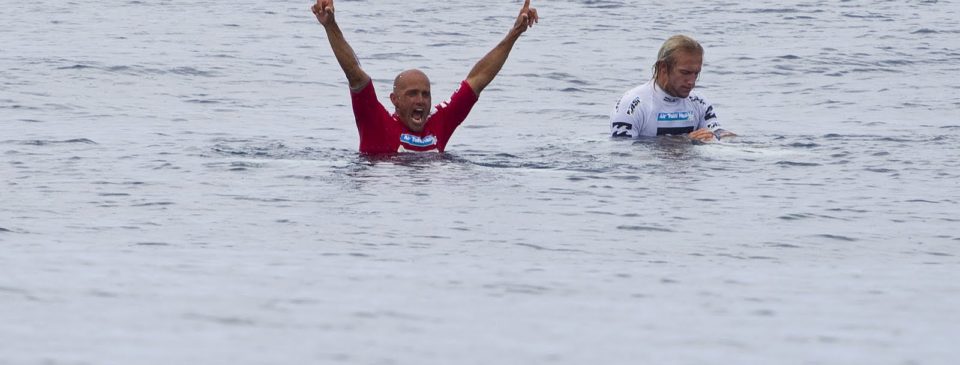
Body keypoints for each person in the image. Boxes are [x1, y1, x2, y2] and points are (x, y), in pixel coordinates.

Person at [311, 0, 539, 154]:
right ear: (395, 100)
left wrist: (514, 34)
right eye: (412, 94)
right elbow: (355, 74)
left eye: (425, 94)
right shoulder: (377, 123)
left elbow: (478, 78)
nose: (420, 100)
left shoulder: (439, 123)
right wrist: (331, 26)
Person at [609, 35, 735, 142]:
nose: (691, 81)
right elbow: (623, 155)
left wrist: (725, 137)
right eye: (685, 73)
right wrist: (685, 142)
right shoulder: (631, 105)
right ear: (663, 68)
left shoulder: (699, 102)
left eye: (696, 73)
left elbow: (719, 133)